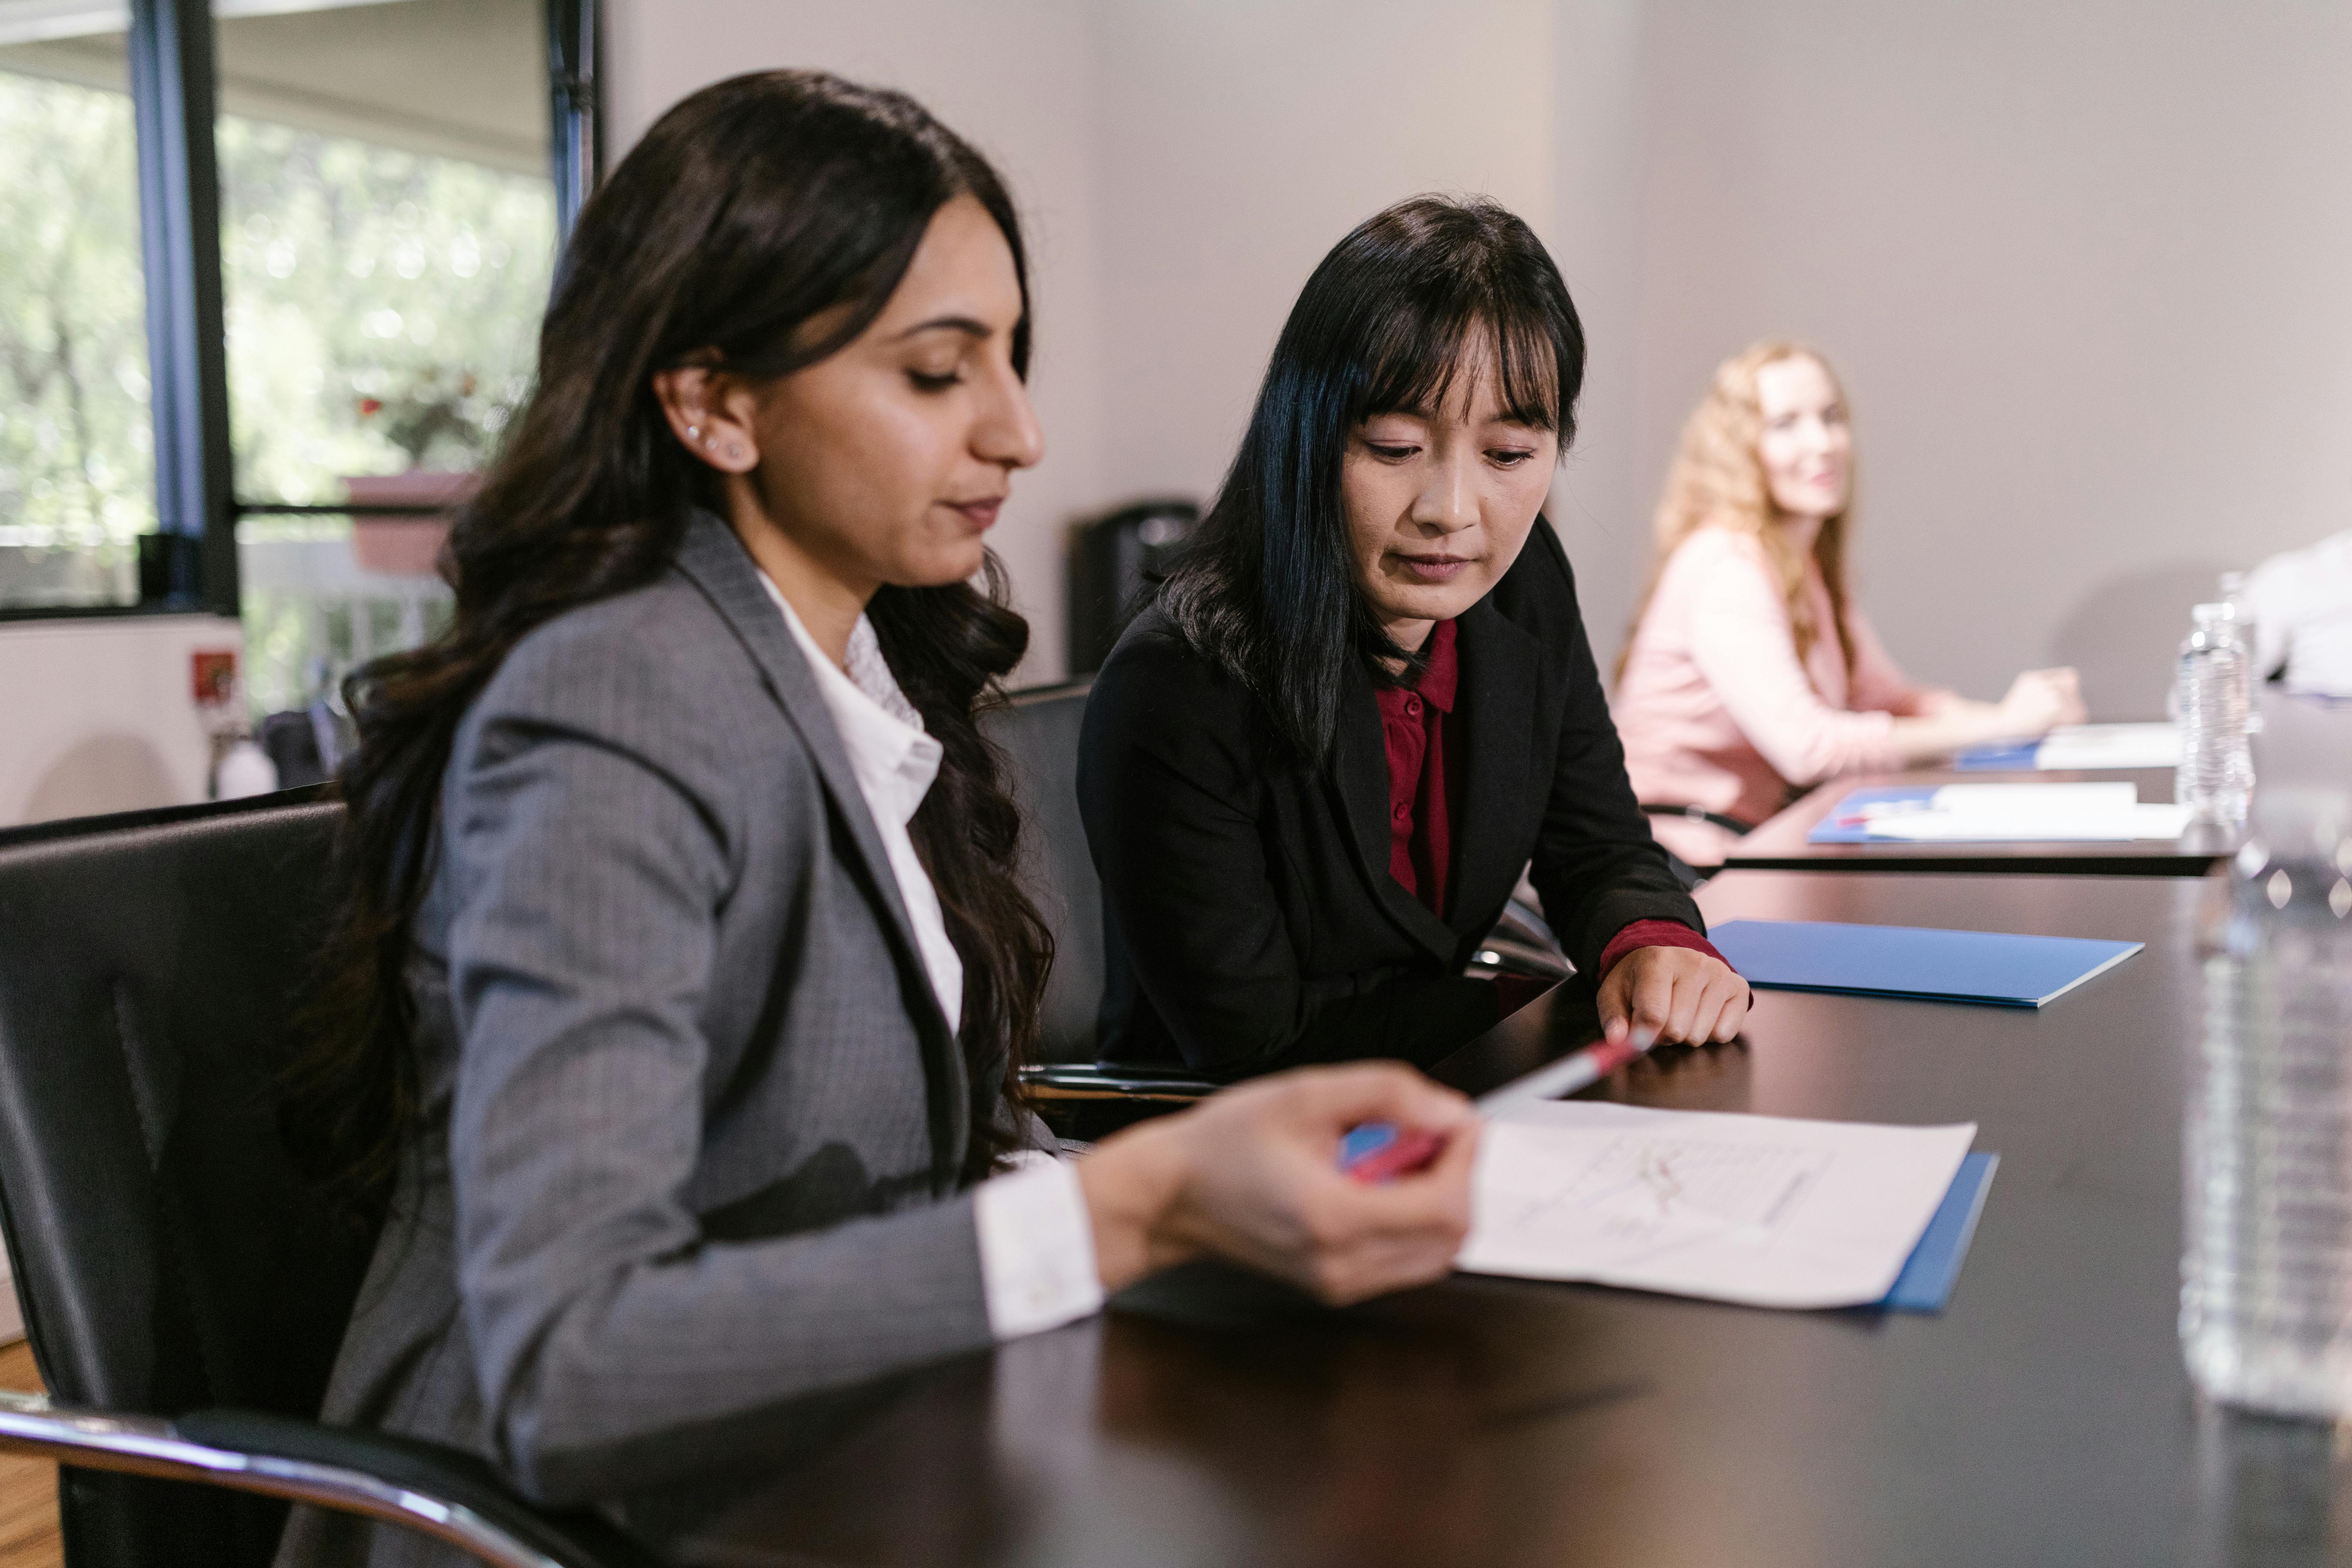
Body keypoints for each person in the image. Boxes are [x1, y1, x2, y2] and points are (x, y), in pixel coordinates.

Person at [276, 72, 1479, 1568]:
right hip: (578, 1525)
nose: (1021, 434)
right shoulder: (612, 703)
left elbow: (917, 1149)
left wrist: (1186, 1197)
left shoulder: (857, 669)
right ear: (711, 398)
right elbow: (568, 1363)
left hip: (852, 1456)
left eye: (1012, 360)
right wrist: (1134, 1210)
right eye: (937, 373)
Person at [1079, 196, 1750, 1080]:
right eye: (1393, 447)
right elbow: (1256, 1045)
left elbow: (1597, 845)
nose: (1450, 512)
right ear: (1306, 439)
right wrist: (1526, 1012)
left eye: (1508, 456)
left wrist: (1650, 944)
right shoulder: (1181, 684)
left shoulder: (1522, 589)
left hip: (1447, 1107)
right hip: (1237, 1153)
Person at [1611, 342, 2086, 867]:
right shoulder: (1727, 565)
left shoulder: (1804, 565)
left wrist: (2017, 715)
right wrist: (2001, 727)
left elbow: (1894, 699)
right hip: (1673, 862)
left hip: (1751, 846)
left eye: (1831, 417)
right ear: (1737, 449)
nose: (1822, 442)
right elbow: (1809, 748)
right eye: (1786, 423)